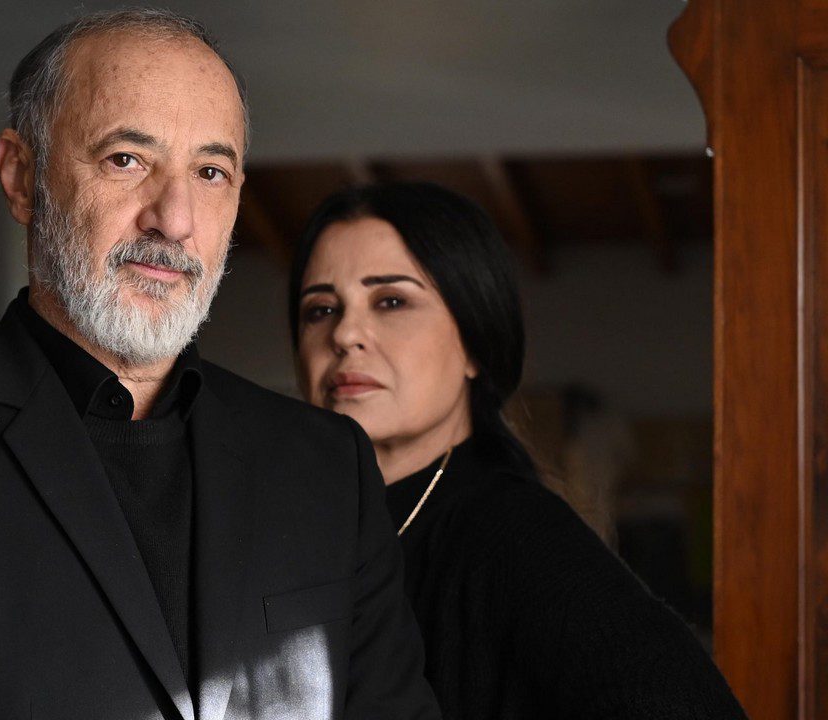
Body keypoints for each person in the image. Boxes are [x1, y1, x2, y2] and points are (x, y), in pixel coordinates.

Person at [0, 10, 438, 720]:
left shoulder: (326, 463)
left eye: (210, 172)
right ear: (21, 177)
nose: (175, 219)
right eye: (127, 159)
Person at [288, 182, 747, 719]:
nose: (345, 333)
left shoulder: (518, 533)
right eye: (320, 309)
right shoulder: (295, 524)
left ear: (475, 344)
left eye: (391, 301)